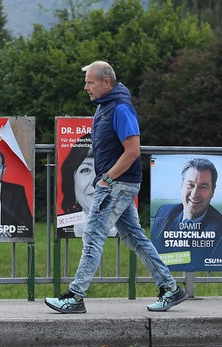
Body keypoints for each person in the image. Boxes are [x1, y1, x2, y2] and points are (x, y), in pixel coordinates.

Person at [45, 60, 186, 314]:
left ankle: (75, 297)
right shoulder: (105, 106)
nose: (85, 87)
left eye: (90, 82)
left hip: (117, 184)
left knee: (93, 236)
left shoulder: (121, 108)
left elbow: (133, 151)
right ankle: (171, 289)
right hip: (119, 184)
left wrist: (106, 179)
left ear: (105, 82)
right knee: (134, 237)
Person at [152, 158, 222, 264]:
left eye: (203, 187)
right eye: (190, 185)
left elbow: (197, 262)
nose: (195, 194)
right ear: (182, 186)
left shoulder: (220, 228)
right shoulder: (164, 213)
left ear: (213, 191)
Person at [58, 133, 116, 238]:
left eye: (104, 169)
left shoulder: (128, 225)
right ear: (72, 181)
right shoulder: (62, 226)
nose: (95, 181)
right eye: (85, 170)